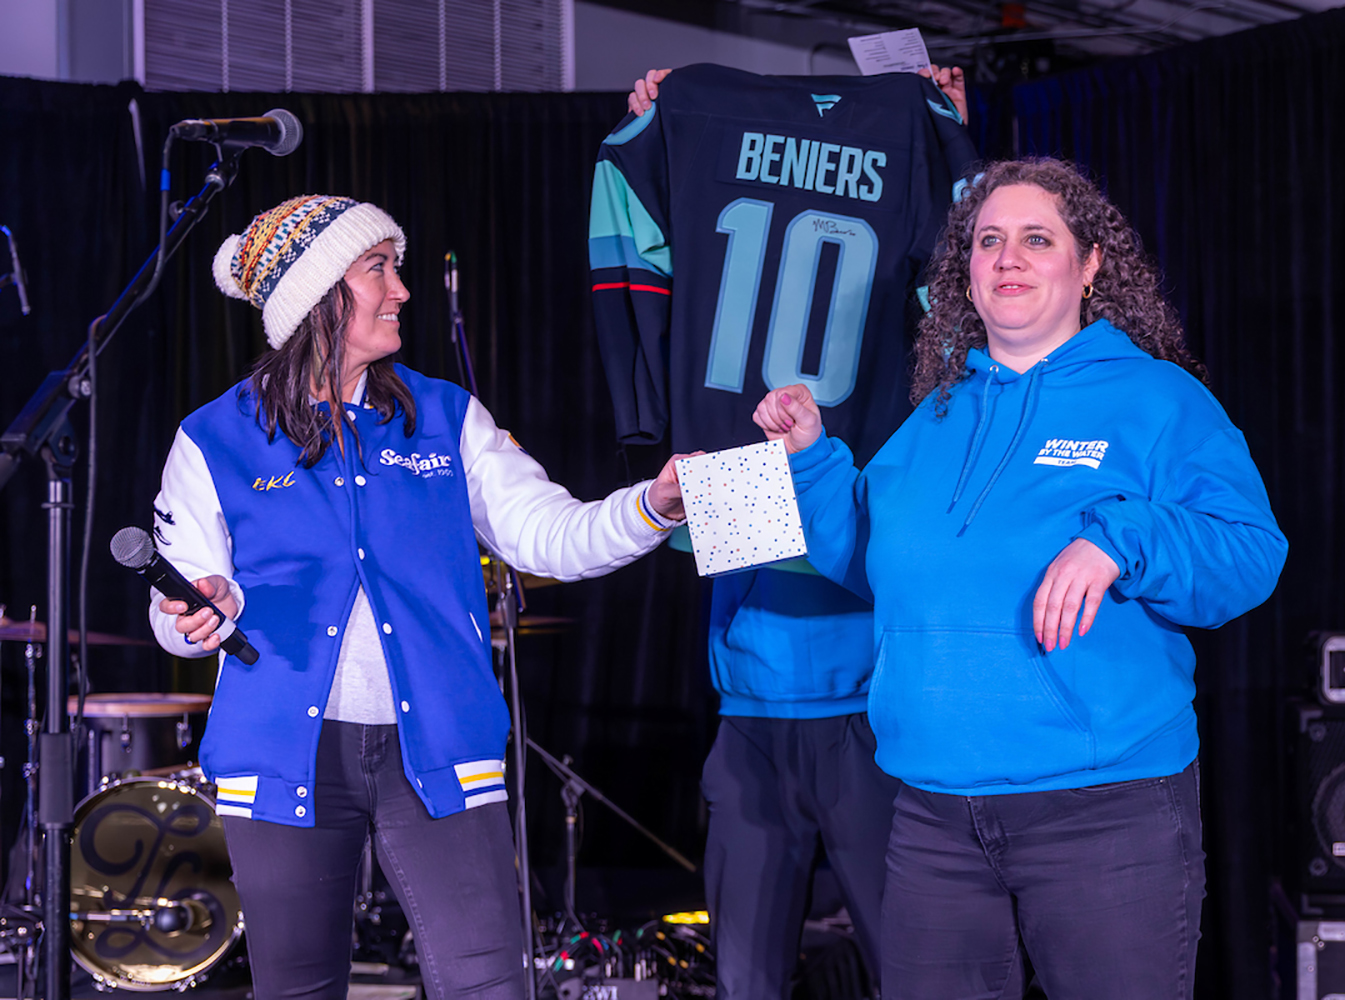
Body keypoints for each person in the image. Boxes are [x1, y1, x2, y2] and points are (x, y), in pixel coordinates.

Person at [753, 158, 1287, 1000]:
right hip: (932, 817)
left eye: (1037, 239)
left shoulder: (1157, 400)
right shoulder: (938, 411)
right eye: (988, 241)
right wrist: (812, 460)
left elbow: (1250, 552)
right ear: (964, 270)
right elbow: (872, 562)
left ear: (1090, 264)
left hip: (1104, 813)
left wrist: (1124, 539)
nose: (1007, 258)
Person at [147, 194, 688, 999]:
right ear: (317, 293)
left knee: (491, 986)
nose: (401, 289)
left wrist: (656, 503)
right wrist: (199, 612)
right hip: (280, 754)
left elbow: (552, 534)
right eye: (379, 269)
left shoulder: (445, 416)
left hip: (439, 743)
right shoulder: (212, 437)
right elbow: (178, 609)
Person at [612, 66, 974, 999]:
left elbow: (625, 249)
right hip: (758, 709)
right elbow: (960, 301)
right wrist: (948, 145)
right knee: (763, 981)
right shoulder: (902, 136)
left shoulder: (706, 124)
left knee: (914, 975)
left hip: (869, 707)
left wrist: (652, 138)